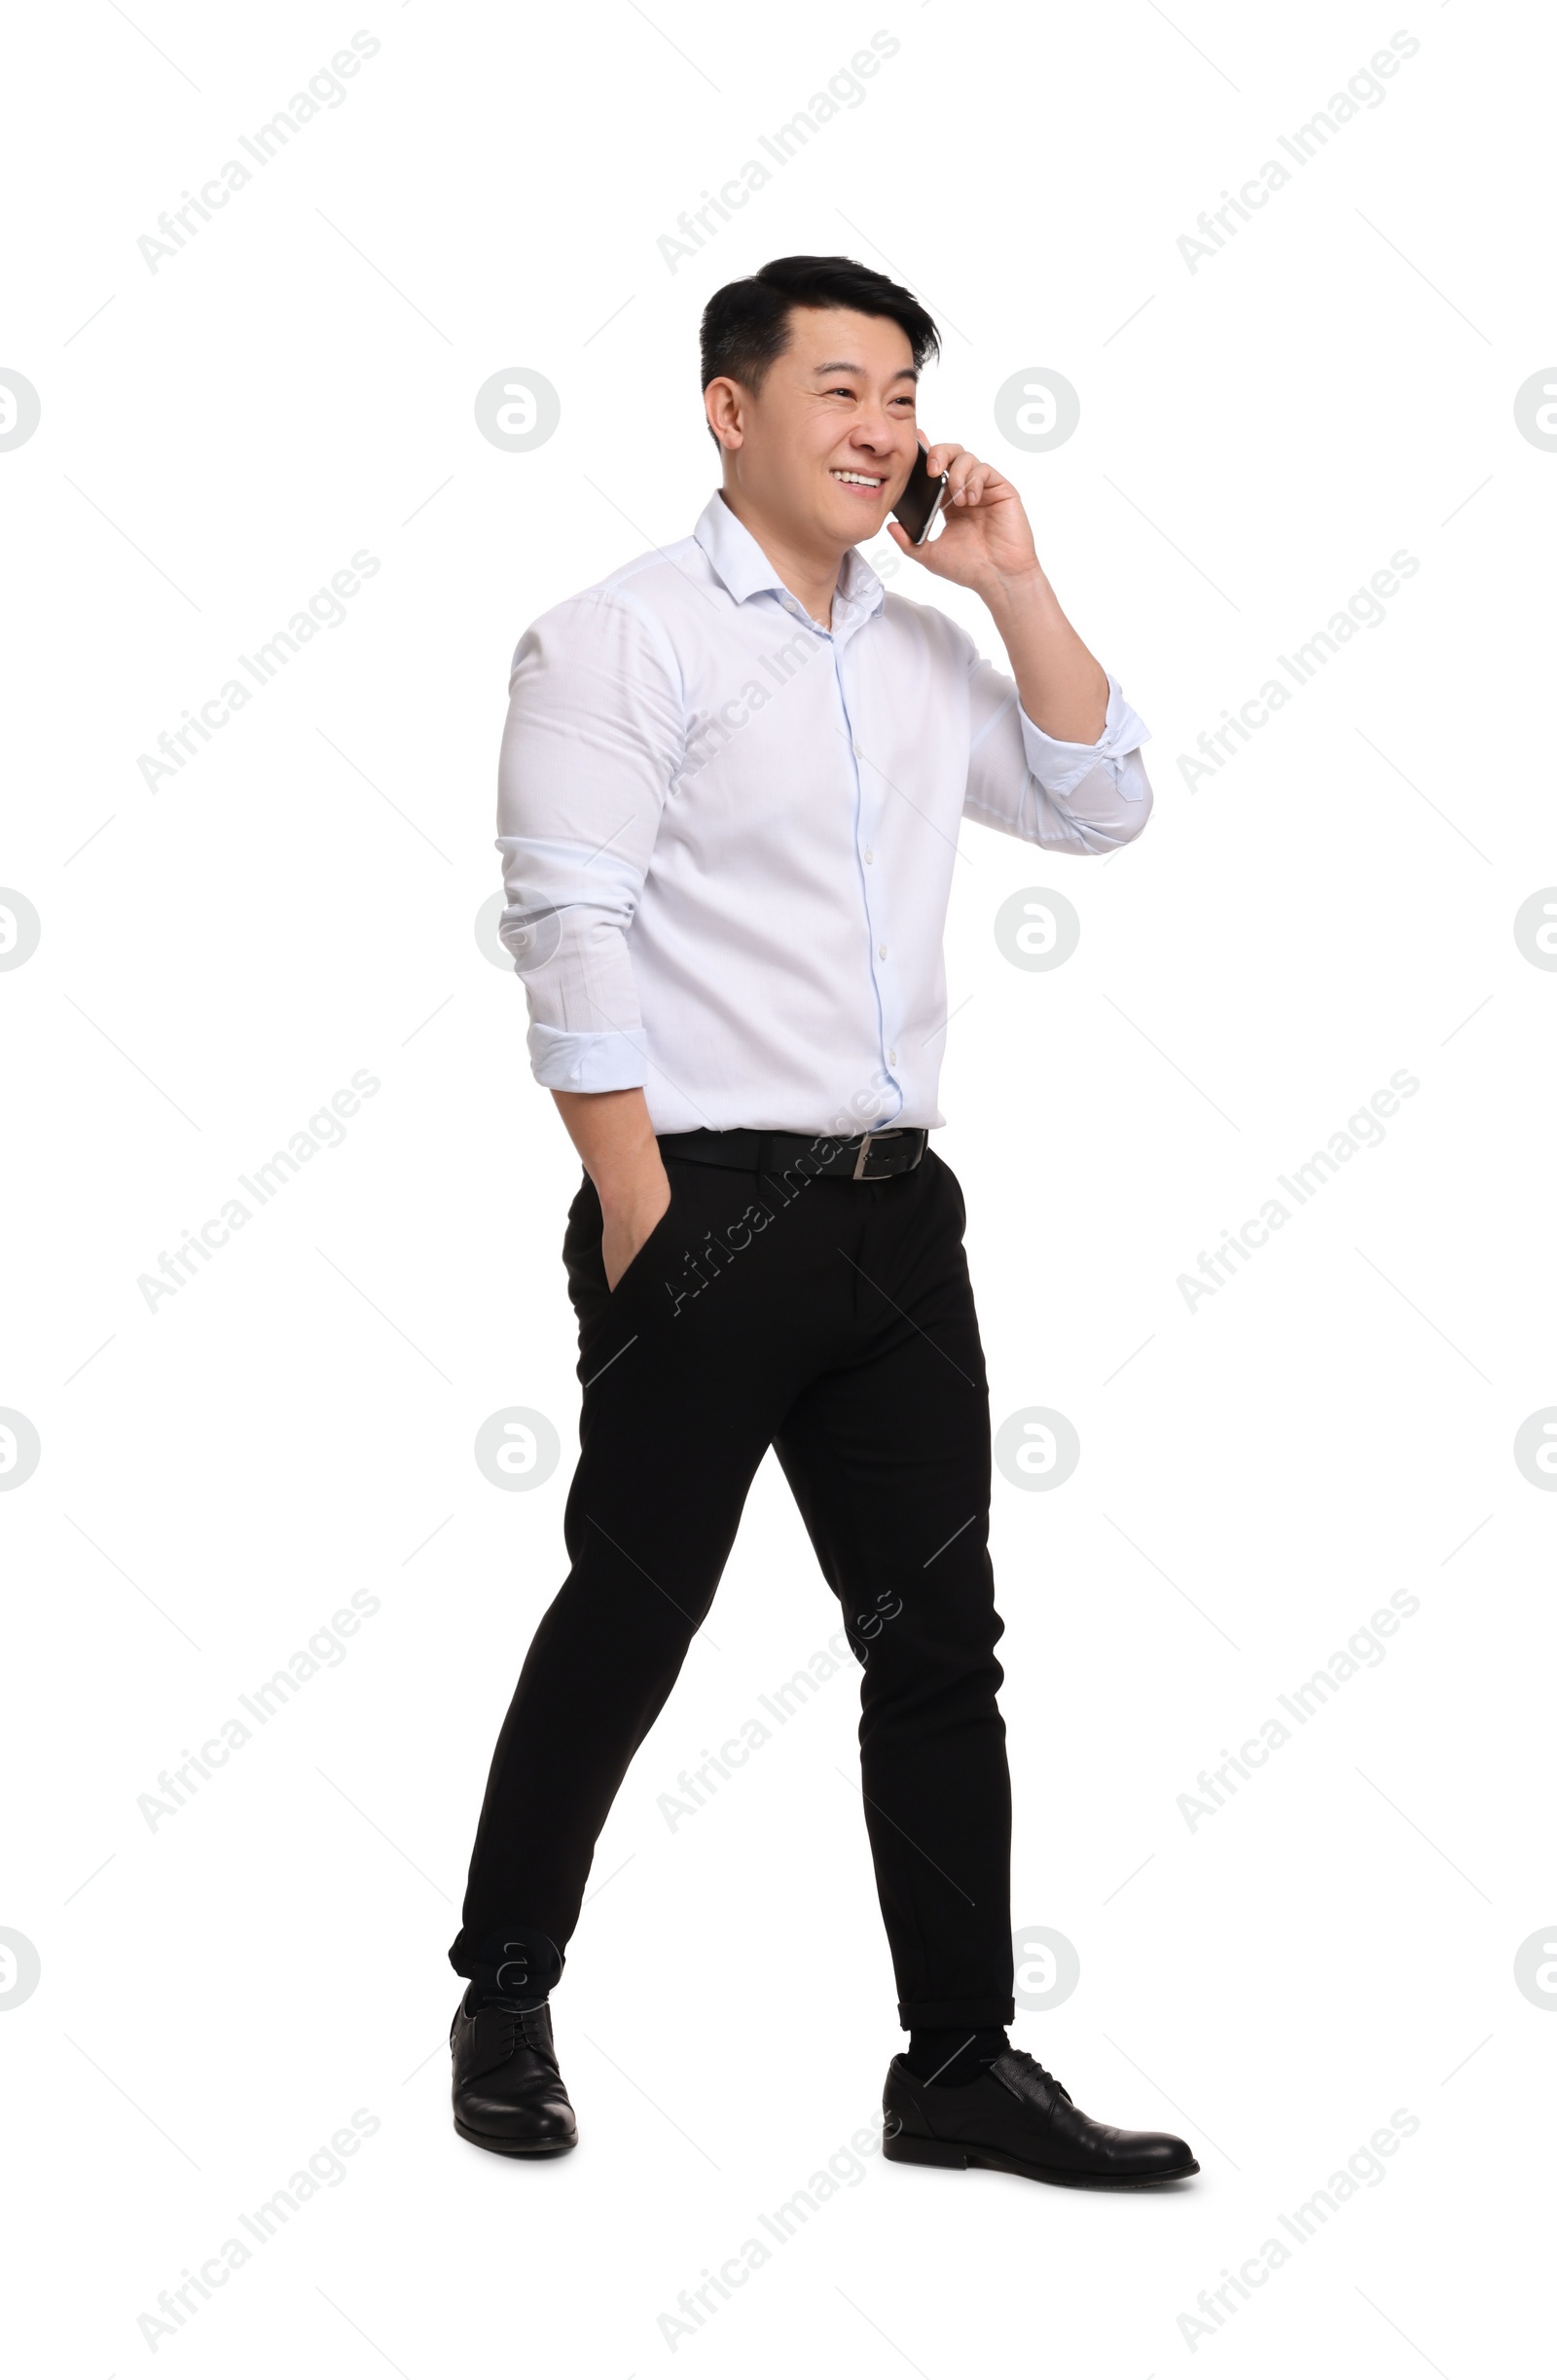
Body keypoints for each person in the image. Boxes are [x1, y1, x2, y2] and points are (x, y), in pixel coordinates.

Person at [448, 255, 1197, 2190]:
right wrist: (632, 1195)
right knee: (635, 1609)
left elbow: (1099, 800)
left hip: (892, 1214)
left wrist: (1010, 580)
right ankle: (502, 1991)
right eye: (837, 391)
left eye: (900, 398)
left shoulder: (916, 646)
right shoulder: (616, 639)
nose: (877, 430)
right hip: (698, 1201)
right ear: (728, 407)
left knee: (936, 1639)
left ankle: (956, 2059)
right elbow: (568, 920)